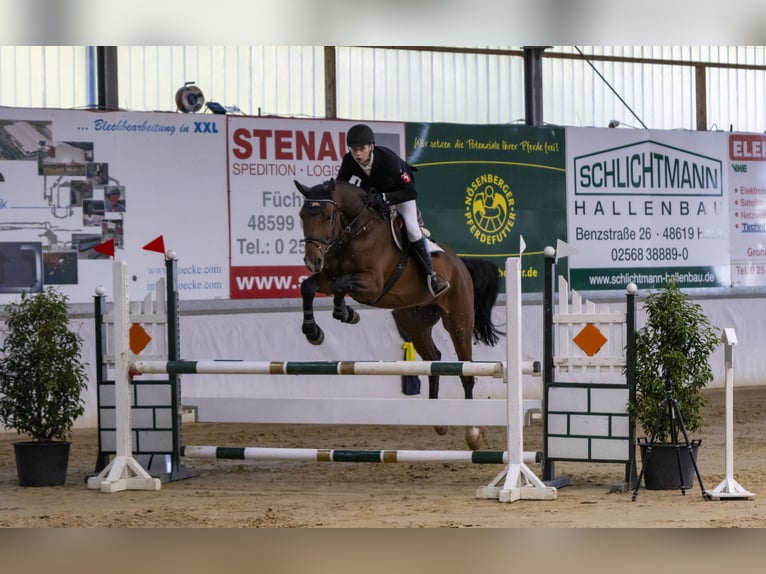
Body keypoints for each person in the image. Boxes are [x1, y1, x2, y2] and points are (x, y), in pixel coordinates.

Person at [336, 124, 450, 297]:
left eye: (361, 149)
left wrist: (384, 197)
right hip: (375, 193)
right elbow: (340, 186)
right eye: (353, 150)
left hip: (400, 194)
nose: (357, 154)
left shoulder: (388, 160)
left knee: (411, 229)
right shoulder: (349, 161)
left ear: (371, 147)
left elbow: (411, 191)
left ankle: (431, 277)